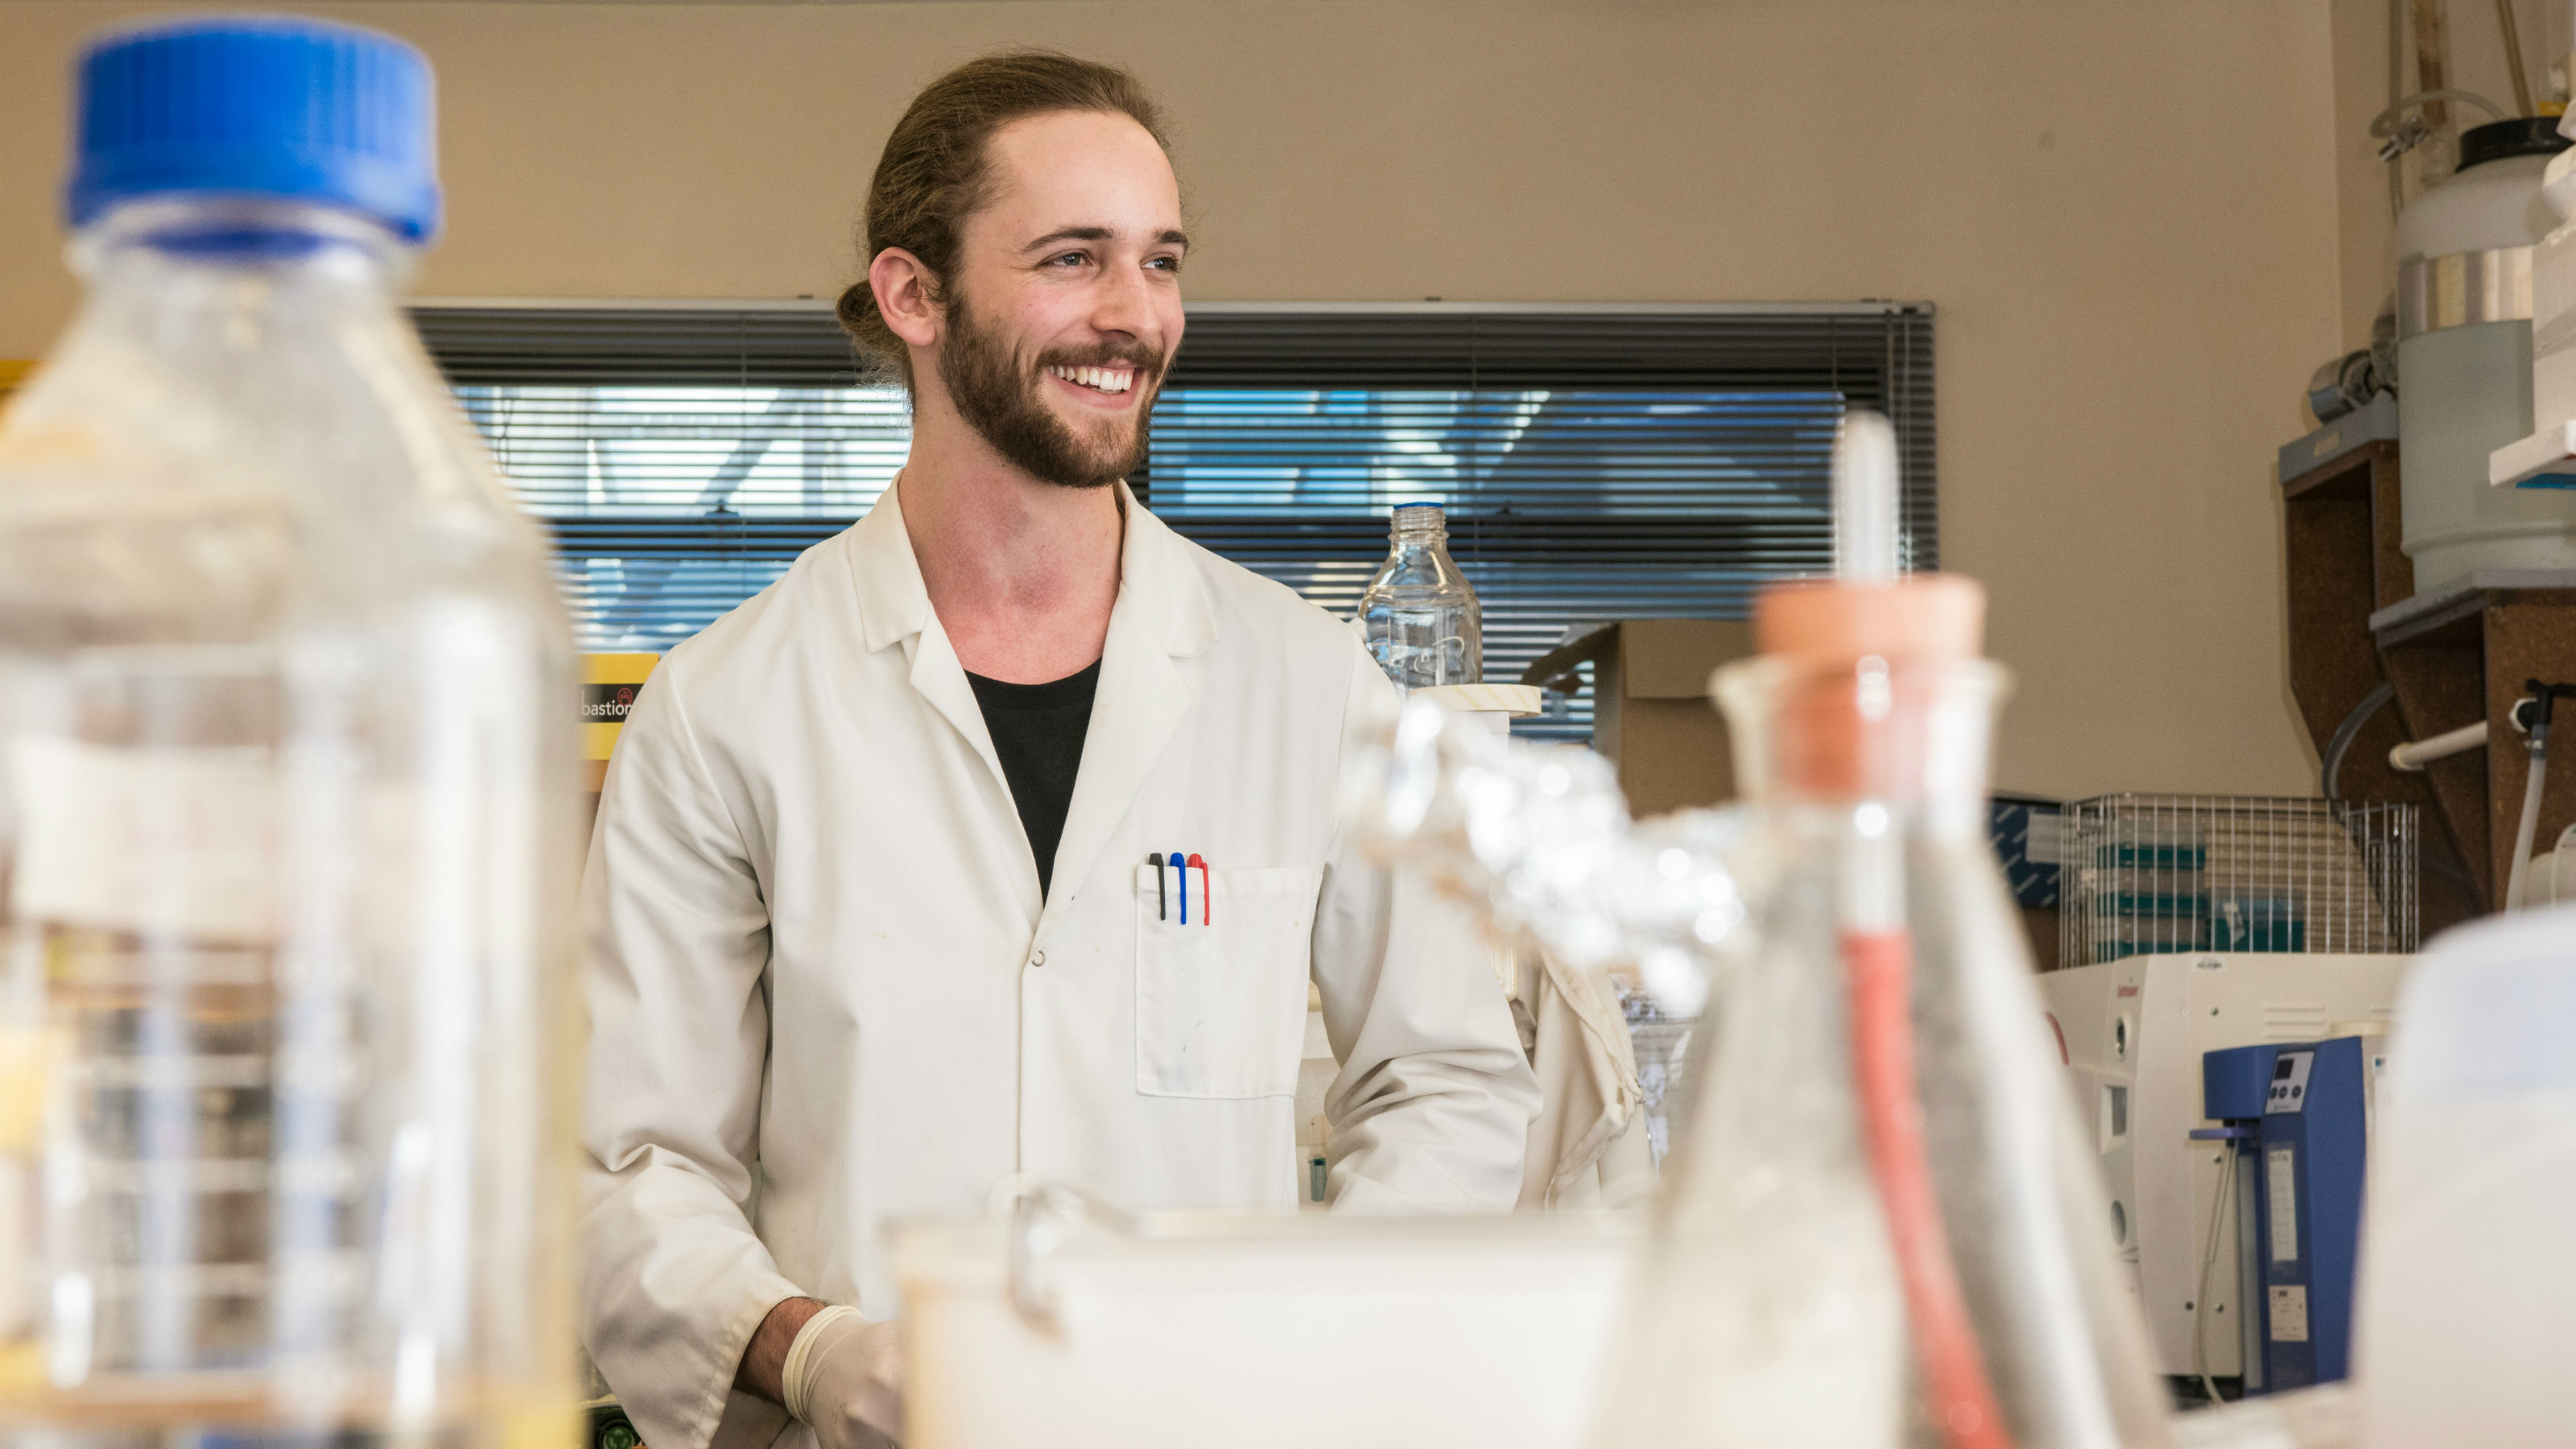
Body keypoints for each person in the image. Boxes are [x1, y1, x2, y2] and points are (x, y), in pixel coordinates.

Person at [578, 50, 1541, 1449]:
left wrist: (1313, 1343)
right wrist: (809, 1355)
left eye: (1160, 262)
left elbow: (1445, 1081)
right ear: (914, 294)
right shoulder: (728, 705)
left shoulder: (1311, 686)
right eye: (1073, 258)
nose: (1133, 316)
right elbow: (632, 1161)